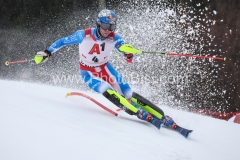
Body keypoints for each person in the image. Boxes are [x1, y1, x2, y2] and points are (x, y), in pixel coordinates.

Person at [35, 9, 192, 138]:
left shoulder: (114, 37)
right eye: (105, 25)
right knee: (106, 90)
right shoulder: (85, 34)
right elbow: (63, 41)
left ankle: (161, 116)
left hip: (106, 69)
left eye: (111, 26)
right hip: (88, 72)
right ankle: (138, 112)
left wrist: (129, 54)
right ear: (98, 23)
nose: (107, 30)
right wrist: (47, 52)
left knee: (128, 93)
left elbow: (127, 55)